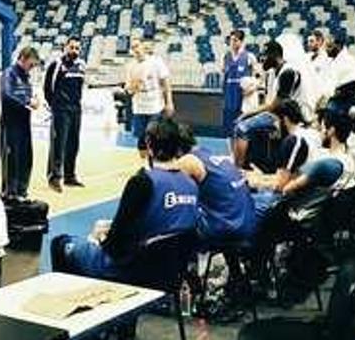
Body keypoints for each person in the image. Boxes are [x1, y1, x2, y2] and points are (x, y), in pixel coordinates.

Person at [50, 117, 198, 281]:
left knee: (60, 243)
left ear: (149, 144)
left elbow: (115, 246)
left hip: (133, 268)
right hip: (171, 270)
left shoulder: (143, 182)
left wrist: (99, 238)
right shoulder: (191, 183)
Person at [231, 38, 315, 168]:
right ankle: (248, 162)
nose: (262, 59)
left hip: (290, 115)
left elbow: (276, 104)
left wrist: (248, 113)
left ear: (275, 56)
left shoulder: (288, 72)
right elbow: (268, 101)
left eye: (265, 56)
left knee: (242, 128)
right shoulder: (272, 73)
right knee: (239, 124)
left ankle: (238, 167)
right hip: (276, 112)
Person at [175, 125, 257, 244]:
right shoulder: (208, 153)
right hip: (247, 222)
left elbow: (169, 185)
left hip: (226, 228)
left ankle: (193, 260)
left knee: (177, 216)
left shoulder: (189, 160)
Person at [44, 37, 87, 193]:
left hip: (76, 110)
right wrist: (54, 106)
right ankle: (54, 178)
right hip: (61, 110)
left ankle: (69, 176)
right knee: (58, 144)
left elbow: (81, 87)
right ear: (65, 48)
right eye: (72, 47)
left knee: (73, 144)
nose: (74, 51)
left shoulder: (82, 65)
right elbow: (47, 87)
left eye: (77, 48)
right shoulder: (56, 65)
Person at [1, 47, 40, 200]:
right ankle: (10, 194)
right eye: (31, 64)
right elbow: (6, 95)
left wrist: (34, 99)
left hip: (24, 124)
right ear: (23, 58)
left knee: (25, 158)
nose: (32, 68)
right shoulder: (8, 73)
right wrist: (28, 101)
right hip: (10, 125)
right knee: (12, 159)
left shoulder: (26, 77)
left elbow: (28, 95)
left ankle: (22, 191)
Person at [124, 38, 174, 145]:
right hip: (139, 108)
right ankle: (146, 161)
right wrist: (134, 87)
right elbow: (129, 91)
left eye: (137, 46)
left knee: (154, 139)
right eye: (133, 47)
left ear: (143, 46)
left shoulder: (156, 61)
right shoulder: (130, 66)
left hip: (154, 107)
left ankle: (154, 161)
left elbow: (166, 83)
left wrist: (169, 103)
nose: (136, 49)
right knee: (141, 142)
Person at [222, 30, 258, 137]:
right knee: (229, 128)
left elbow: (259, 76)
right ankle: (232, 153)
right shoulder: (226, 57)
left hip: (243, 95)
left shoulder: (249, 56)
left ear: (241, 42)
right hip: (229, 94)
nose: (232, 43)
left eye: (235, 40)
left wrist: (253, 87)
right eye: (231, 40)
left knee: (241, 126)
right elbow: (225, 75)